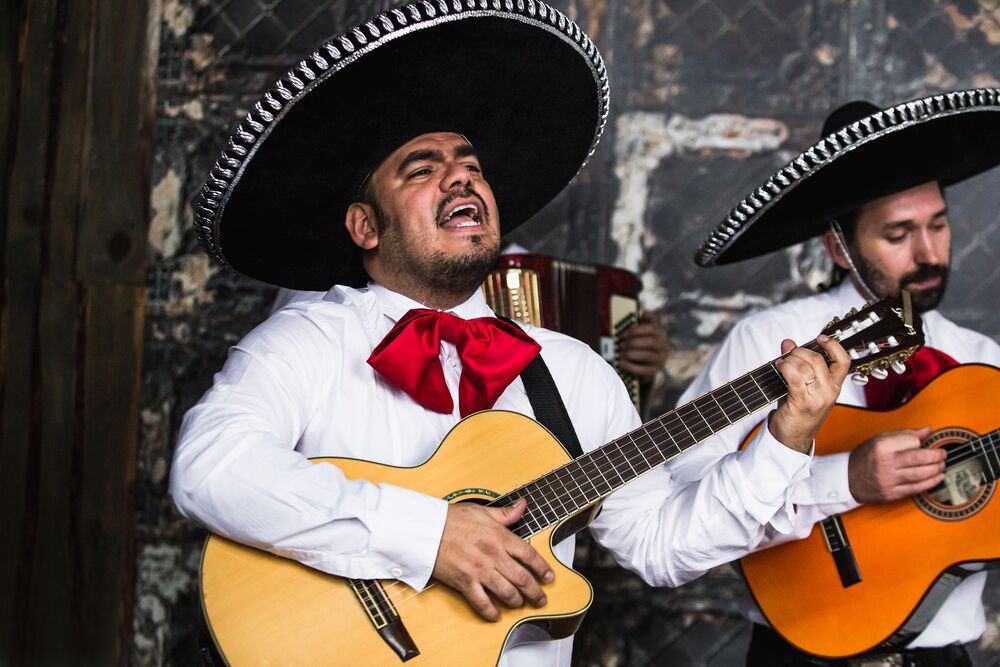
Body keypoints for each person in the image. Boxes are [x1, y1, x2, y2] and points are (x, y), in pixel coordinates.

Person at [169, 4, 849, 665]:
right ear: (365, 227)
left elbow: (660, 545)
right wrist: (429, 535)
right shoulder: (308, 340)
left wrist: (787, 439)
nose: (462, 173)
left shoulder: (574, 372)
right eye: (422, 167)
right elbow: (209, 469)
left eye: (469, 163)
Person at [681, 91, 1000, 665]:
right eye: (899, 235)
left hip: (946, 653)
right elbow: (687, 500)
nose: (929, 254)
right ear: (839, 247)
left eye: (939, 226)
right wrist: (845, 477)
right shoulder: (767, 344)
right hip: (803, 646)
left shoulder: (982, 360)